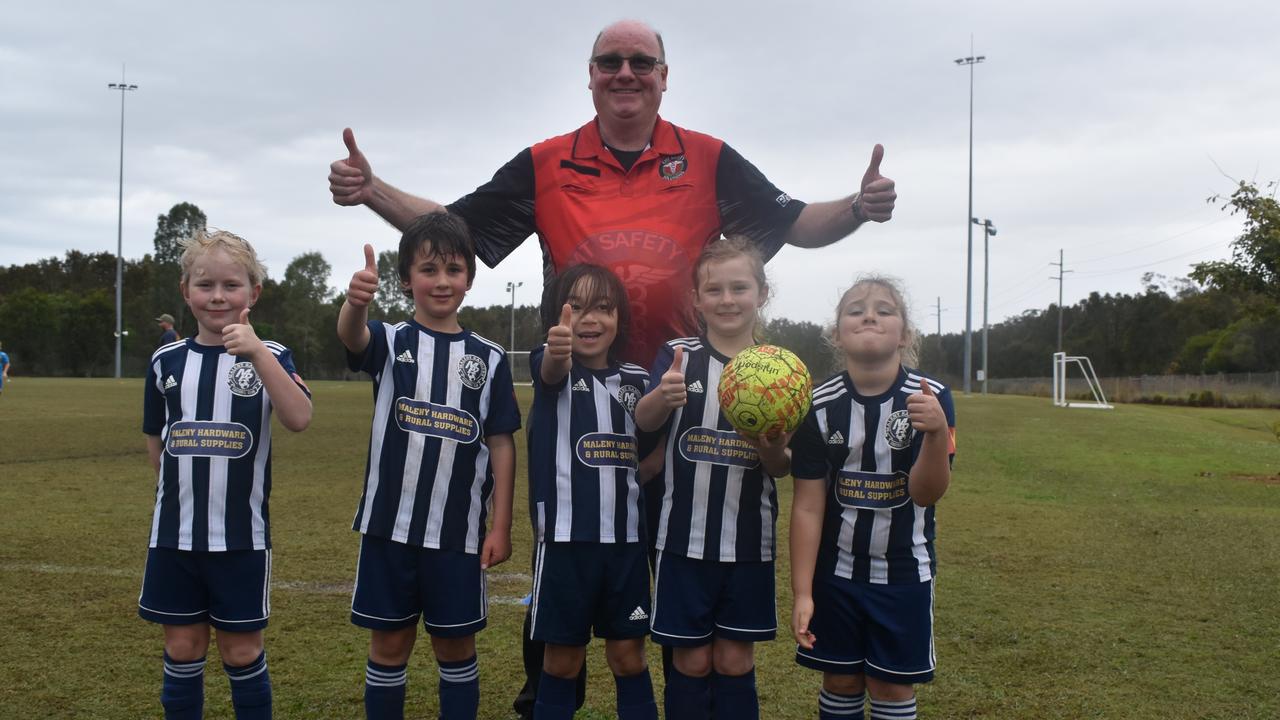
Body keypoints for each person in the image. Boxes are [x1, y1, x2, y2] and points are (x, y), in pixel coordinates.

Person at [328, 19, 897, 367]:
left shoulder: (709, 157)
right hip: (575, 381)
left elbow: (794, 222)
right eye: (610, 62)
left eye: (641, 62)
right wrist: (373, 190)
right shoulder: (544, 163)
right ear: (591, 74)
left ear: (664, 75)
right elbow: (451, 230)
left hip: (681, 386)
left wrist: (857, 208)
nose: (626, 72)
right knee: (585, 555)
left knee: (678, 557)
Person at [337, 212, 521, 720]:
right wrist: (355, 304)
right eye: (429, 269)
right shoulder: (392, 341)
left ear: (469, 279)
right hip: (388, 530)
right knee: (389, 648)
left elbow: (502, 444)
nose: (442, 281)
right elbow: (353, 338)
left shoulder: (489, 358)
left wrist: (501, 525)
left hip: (459, 537)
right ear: (405, 280)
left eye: (454, 270)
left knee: (455, 650)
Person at [139, 229, 313, 720]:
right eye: (205, 285)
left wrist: (256, 353)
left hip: (241, 539)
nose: (217, 297)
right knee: (182, 648)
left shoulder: (272, 355)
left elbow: (299, 418)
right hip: (174, 538)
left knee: (241, 652)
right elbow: (158, 442)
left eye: (231, 285)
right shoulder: (165, 361)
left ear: (253, 293)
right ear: (185, 291)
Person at [633, 236, 792, 719]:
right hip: (682, 540)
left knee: (734, 659)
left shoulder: (779, 370)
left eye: (739, 287)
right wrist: (663, 396)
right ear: (696, 300)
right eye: (715, 290)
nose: (727, 299)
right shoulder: (679, 355)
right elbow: (643, 420)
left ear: (762, 293)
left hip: (749, 544)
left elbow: (784, 466)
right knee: (692, 660)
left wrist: (770, 451)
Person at [787, 276, 955, 720]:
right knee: (840, 679)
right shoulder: (817, 405)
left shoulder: (931, 397)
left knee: (892, 687)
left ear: (905, 335)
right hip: (837, 574)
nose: (869, 315)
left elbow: (927, 492)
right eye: (856, 309)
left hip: (904, 572)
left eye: (885, 309)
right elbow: (807, 505)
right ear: (837, 334)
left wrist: (936, 433)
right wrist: (802, 592)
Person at [526, 264, 657, 720]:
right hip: (565, 545)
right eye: (576, 307)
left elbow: (648, 459)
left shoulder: (638, 382)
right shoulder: (549, 364)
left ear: (619, 317)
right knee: (562, 662)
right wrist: (557, 346)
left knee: (629, 658)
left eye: (603, 308)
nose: (589, 319)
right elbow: (551, 367)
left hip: (624, 548)